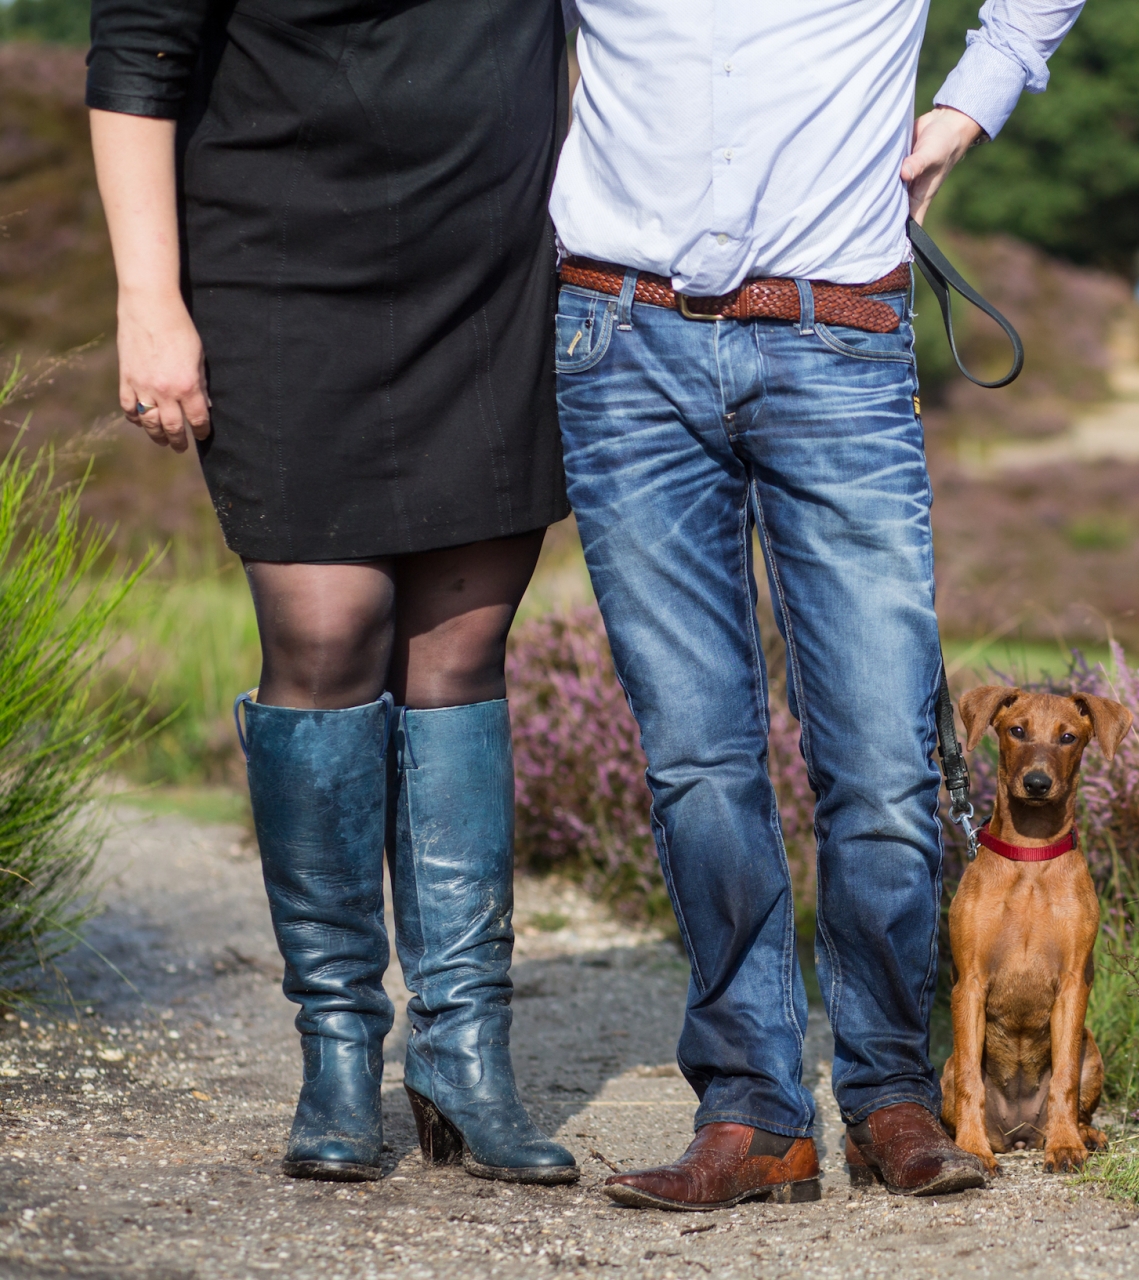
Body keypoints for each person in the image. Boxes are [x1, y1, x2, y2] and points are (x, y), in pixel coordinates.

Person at [552, 0, 1085, 1210]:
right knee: (695, 758)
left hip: (833, 334)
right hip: (617, 330)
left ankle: (893, 1088)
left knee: (886, 758)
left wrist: (975, 97)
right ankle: (753, 1109)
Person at [87, 0, 578, 1184]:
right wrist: (147, 301)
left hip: (492, 272)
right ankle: (340, 1051)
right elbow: (137, 56)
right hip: (276, 270)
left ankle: (465, 1049)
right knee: (326, 630)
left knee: (460, 653)